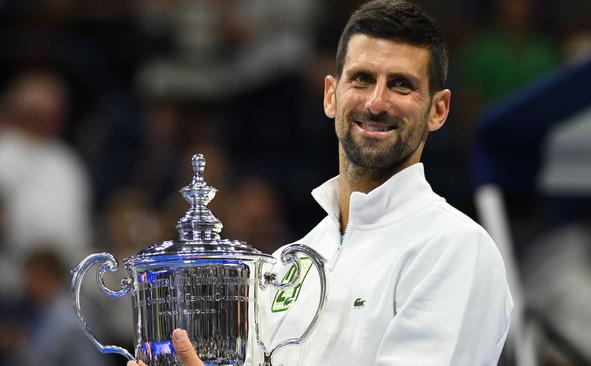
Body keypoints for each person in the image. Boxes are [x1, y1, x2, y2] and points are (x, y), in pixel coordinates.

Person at [128, 1, 513, 365]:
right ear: (331, 95)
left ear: (438, 110)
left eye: (401, 85)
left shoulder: (454, 249)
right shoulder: (287, 262)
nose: (377, 103)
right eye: (362, 79)